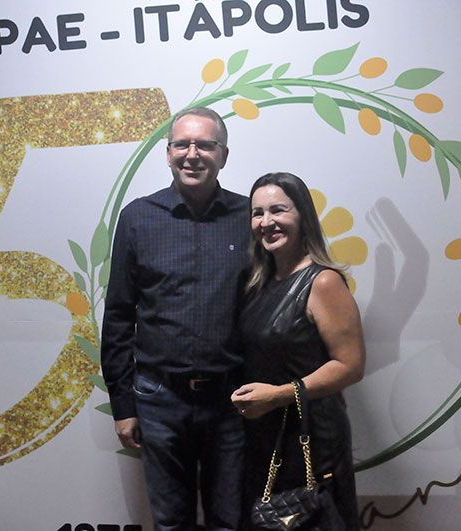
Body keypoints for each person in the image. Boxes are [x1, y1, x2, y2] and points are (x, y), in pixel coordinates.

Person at [101, 107, 249, 531]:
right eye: (182, 144)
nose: (192, 154)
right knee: (170, 523)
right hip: (159, 400)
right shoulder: (138, 217)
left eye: (205, 145)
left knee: (231, 521)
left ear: (223, 155)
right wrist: (123, 406)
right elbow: (118, 317)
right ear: (168, 154)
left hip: (232, 401)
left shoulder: (249, 217)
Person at [231, 172, 365, 530]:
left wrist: (277, 395)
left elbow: (351, 365)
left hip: (311, 440)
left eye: (278, 210)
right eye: (257, 213)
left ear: (303, 215)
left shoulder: (323, 282)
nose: (266, 222)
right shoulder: (257, 284)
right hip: (263, 439)